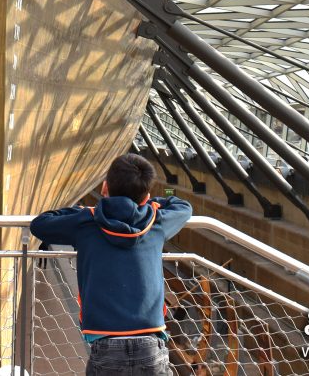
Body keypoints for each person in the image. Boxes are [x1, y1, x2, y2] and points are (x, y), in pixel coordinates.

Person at [30, 153, 193, 376]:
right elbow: (183, 206)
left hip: (106, 346)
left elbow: (40, 224)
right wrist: (152, 203)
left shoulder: (86, 222)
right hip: (150, 344)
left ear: (105, 187)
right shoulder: (157, 221)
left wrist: (81, 212)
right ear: (145, 197)